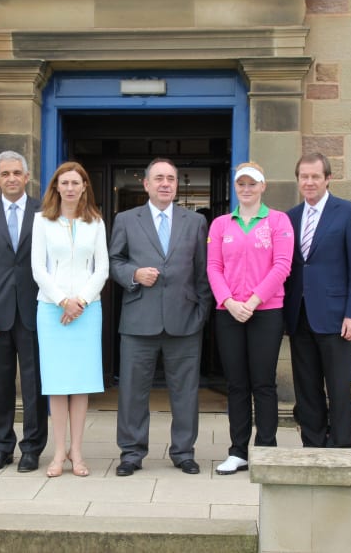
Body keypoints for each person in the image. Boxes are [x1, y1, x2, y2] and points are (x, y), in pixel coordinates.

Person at [109, 157, 212, 476]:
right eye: (159, 178)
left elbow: (203, 272)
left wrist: (201, 314)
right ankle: (131, 452)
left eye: (170, 178)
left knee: (185, 392)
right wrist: (134, 273)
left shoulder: (194, 222)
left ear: (177, 185)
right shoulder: (126, 219)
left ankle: (183, 451)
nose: (165, 183)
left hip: (185, 321)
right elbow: (113, 260)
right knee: (132, 390)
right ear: (146, 184)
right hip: (139, 318)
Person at [206, 162, 293, 475]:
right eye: (241, 184)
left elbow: (282, 266)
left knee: (263, 383)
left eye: (252, 184)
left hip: (266, 312)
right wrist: (229, 302)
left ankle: (267, 448)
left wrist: (253, 301)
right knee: (237, 384)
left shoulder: (278, 221)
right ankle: (238, 450)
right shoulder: (220, 225)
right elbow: (213, 268)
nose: (246, 189)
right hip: (228, 312)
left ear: (262, 186)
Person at [0, 151, 47, 473]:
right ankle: (2, 447)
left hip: (34, 312)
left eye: (18, 172)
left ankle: (32, 448)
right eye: (6, 173)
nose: (12, 178)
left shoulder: (45, 212)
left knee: (34, 386)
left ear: (27, 177)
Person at [283, 152, 351, 448]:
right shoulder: (290, 217)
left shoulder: (349, 212)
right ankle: (313, 444)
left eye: (315, 176)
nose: (309, 182)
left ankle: (342, 446)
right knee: (306, 387)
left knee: (338, 388)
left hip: (336, 316)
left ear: (328, 178)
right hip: (299, 314)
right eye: (304, 177)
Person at [31, 161, 108, 477]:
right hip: (51, 310)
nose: (71, 188)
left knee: (80, 384)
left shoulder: (96, 222)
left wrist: (81, 301)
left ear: (85, 186)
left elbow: (101, 268)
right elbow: (39, 268)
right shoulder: (42, 221)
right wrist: (63, 300)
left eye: (77, 182)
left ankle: (77, 452)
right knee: (57, 384)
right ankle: (58, 453)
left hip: (87, 312)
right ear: (56, 187)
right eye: (65, 183)